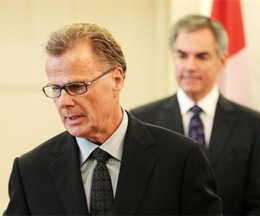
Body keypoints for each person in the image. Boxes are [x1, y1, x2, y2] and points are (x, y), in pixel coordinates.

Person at [4, 23, 222, 215]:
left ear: (116, 80)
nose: (64, 102)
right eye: (56, 89)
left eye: (76, 86)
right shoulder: (31, 170)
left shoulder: (181, 158)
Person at [130, 14, 260, 215]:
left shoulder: (253, 125)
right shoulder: (141, 120)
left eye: (202, 56)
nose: (190, 66)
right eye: (182, 55)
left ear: (222, 61)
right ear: (173, 58)